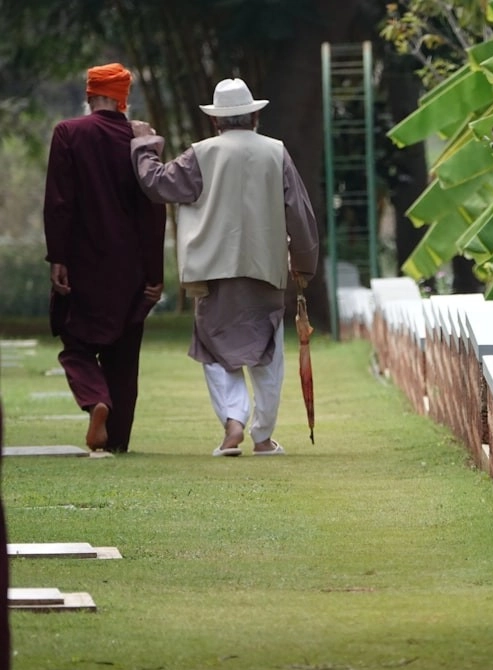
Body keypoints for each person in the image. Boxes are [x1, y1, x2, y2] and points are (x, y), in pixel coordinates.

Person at [130, 77, 319, 457]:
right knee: (267, 351)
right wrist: (303, 264)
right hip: (264, 267)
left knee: (214, 347)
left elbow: (158, 183)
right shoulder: (276, 152)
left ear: (216, 120)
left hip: (212, 269)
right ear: (254, 116)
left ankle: (233, 422)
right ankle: (262, 437)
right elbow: (299, 214)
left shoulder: (201, 154)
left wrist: (145, 145)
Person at [43, 62, 166, 453]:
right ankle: (117, 441)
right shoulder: (140, 141)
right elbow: (154, 209)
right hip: (131, 266)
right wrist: (155, 273)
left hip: (82, 262)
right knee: (124, 355)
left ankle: (96, 398)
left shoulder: (68, 133)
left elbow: (58, 203)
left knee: (76, 344)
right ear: (123, 99)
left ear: (89, 94)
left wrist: (58, 257)